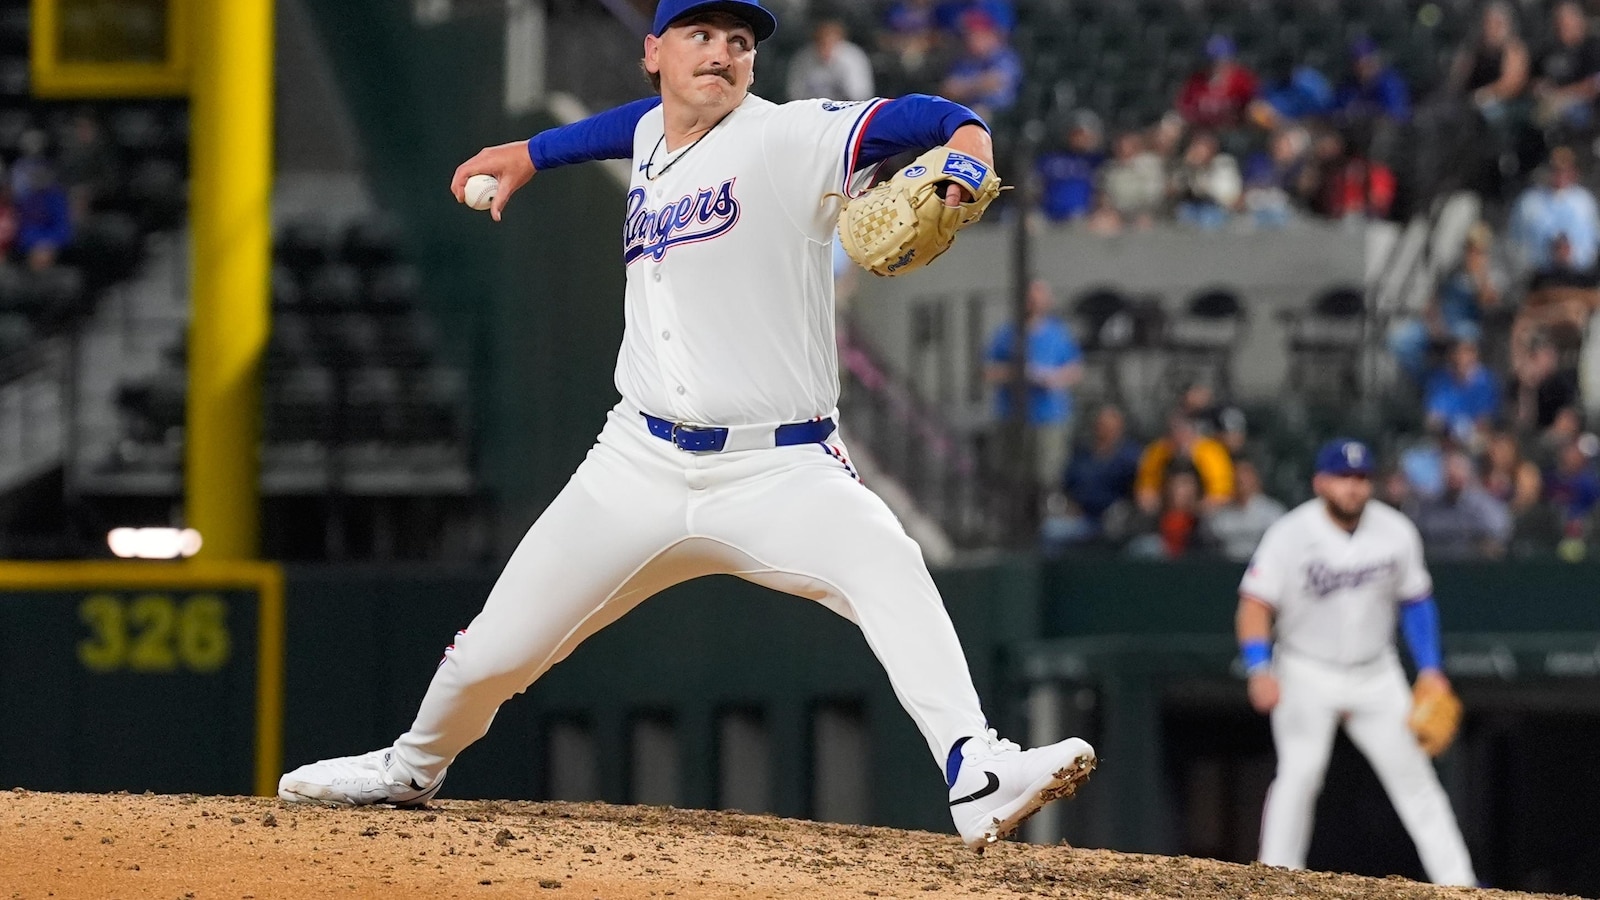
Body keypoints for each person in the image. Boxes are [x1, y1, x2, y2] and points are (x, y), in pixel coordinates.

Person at [275, 0, 1096, 851]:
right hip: (636, 463)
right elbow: (634, 126)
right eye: (702, 35)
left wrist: (967, 151)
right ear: (653, 53)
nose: (725, 52)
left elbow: (931, 118)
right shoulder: (652, 137)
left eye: (740, 42)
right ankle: (410, 769)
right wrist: (531, 151)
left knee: (890, 564)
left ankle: (976, 768)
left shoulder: (787, 137)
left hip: (782, 468)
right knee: (492, 656)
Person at [1237, 439, 1477, 886]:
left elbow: (1417, 602)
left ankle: (1460, 885)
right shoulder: (1290, 534)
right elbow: (1254, 604)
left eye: (1361, 478)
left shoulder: (1396, 531)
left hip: (1375, 673)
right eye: (1344, 478)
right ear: (1320, 482)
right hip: (1306, 670)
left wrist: (1431, 668)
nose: (1353, 488)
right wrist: (1258, 666)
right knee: (1300, 774)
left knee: (1417, 781)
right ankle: (1273, 882)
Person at [985, 277, 1083, 499]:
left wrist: (1054, 379)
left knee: (1047, 475)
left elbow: (1075, 369)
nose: (1034, 302)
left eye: (1038, 297)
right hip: (1014, 417)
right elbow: (989, 371)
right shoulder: (1007, 334)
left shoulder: (1058, 334)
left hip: (1050, 416)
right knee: (1014, 473)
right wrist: (1019, 374)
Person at [1408, 451, 1512, 559]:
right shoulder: (1430, 505)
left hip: (1474, 566)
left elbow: (1500, 531)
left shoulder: (1483, 504)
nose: (1454, 475)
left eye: (1458, 469)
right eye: (1449, 471)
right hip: (1437, 564)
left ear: (1468, 473)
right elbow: (1417, 532)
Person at [1060, 403, 1141, 542]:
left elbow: (1138, 492)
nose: (1104, 429)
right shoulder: (1082, 455)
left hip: (1116, 520)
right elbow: (1068, 485)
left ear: (1119, 427)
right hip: (1083, 517)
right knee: (1053, 531)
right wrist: (1071, 505)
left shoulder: (1131, 457)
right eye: (1101, 425)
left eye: (1109, 426)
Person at [1134, 410, 1234, 515]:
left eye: (1183, 432)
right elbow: (1145, 490)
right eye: (1175, 432)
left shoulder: (1211, 452)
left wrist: (1193, 510)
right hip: (1165, 511)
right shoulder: (1158, 451)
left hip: (1203, 512)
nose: (1179, 437)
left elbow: (1221, 495)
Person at [939, 9, 1022, 122]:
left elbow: (996, 80)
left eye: (976, 34)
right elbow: (948, 89)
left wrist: (965, 88)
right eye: (968, 35)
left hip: (1001, 114)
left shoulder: (1004, 56)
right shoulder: (965, 60)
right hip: (964, 110)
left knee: (977, 114)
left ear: (989, 34)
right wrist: (978, 85)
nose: (970, 40)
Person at [1531, 1, 1600, 134]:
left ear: (1580, 21)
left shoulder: (1593, 47)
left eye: (1568, 20)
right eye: (1560, 21)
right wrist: (1538, 86)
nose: (1564, 25)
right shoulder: (1549, 49)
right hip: (1548, 101)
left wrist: (1560, 95)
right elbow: (1533, 78)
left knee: (1565, 114)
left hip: (1584, 104)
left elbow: (1594, 85)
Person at [1205, 457, 1286, 562]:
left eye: (1246, 474)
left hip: (1261, 569)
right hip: (1225, 570)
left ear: (1257, 477)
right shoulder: (1221, 513)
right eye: (1236, 474)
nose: (1240, 478)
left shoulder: (1273, 511)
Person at [1176, 35, 1260, 131]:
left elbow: (1255, 107)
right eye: (1211, 61)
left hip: (1234, 133)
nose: (1215, 65)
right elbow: (1183, 110)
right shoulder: (1197, 81)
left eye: (1219, 60)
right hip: (1201, 132)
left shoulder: (1242, 81)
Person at [1424, 337, 1499, 444]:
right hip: (1445, 442)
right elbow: (1433, 419)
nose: (1461, 357)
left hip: (1477, 440)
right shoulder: (1439, 380)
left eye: (1468, 351)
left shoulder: (1487, 381)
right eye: (1457, 352)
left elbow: (1486, 420)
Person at [785, 18, 874, 102]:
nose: (826, 48)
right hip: (813, 111)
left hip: (846, 111)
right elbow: (794, 96)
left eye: (830, 42)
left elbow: (861, 97)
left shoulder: (854, 57)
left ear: (840, 41)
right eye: (822, 43)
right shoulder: (803, 59)